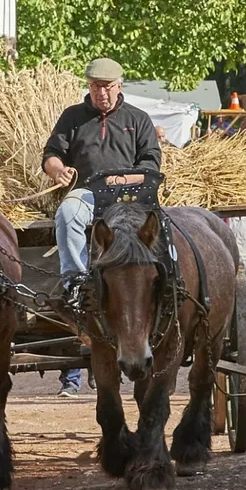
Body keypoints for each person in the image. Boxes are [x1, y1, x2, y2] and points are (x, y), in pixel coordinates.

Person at [42, 57, 161, 396]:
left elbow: (151, 162)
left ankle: (159, 280)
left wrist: (125, 179)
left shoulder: (137, 119)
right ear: (89, 87)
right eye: (96, 87)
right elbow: (52, 153)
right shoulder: (73, 117)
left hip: (131, 198)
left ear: (119, 85)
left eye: (107, 87)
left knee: (156, 228)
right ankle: (76, 282)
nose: (102, 93)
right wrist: (56, 170)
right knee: (67, 213)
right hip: (88, 192)